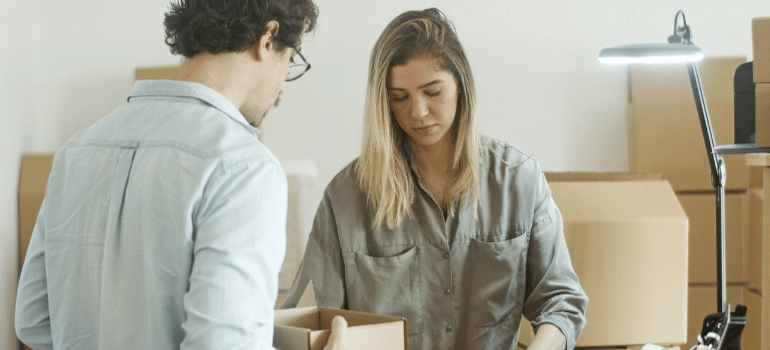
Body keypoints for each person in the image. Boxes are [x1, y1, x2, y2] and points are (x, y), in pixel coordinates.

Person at [15, 0, 348, 349]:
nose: (282, 90)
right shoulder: (244, 168)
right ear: (268, 38)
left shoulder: (75, 152)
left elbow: (33, 319)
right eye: (290, 60)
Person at [281, 7, 588, 350]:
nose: (418, 112)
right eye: (400, 97)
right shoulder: (346, 198)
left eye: (432, 92)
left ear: (460, 85)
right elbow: (304, 322)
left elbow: (561, 303)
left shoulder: (520, 181)